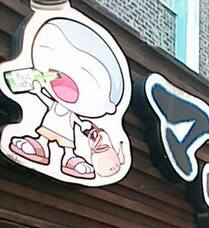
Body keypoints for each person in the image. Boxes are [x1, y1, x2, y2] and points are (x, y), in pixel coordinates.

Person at [8, 17, 125, 179]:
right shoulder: (51, 90)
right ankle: (40, 147)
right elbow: (47, 101)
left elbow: (76, 120)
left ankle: (70, 159)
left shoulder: (77, 111)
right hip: (50, 124)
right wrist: (37, 91)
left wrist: (83, 125)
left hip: (66, 131)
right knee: (44, 137)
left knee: (67, 146)